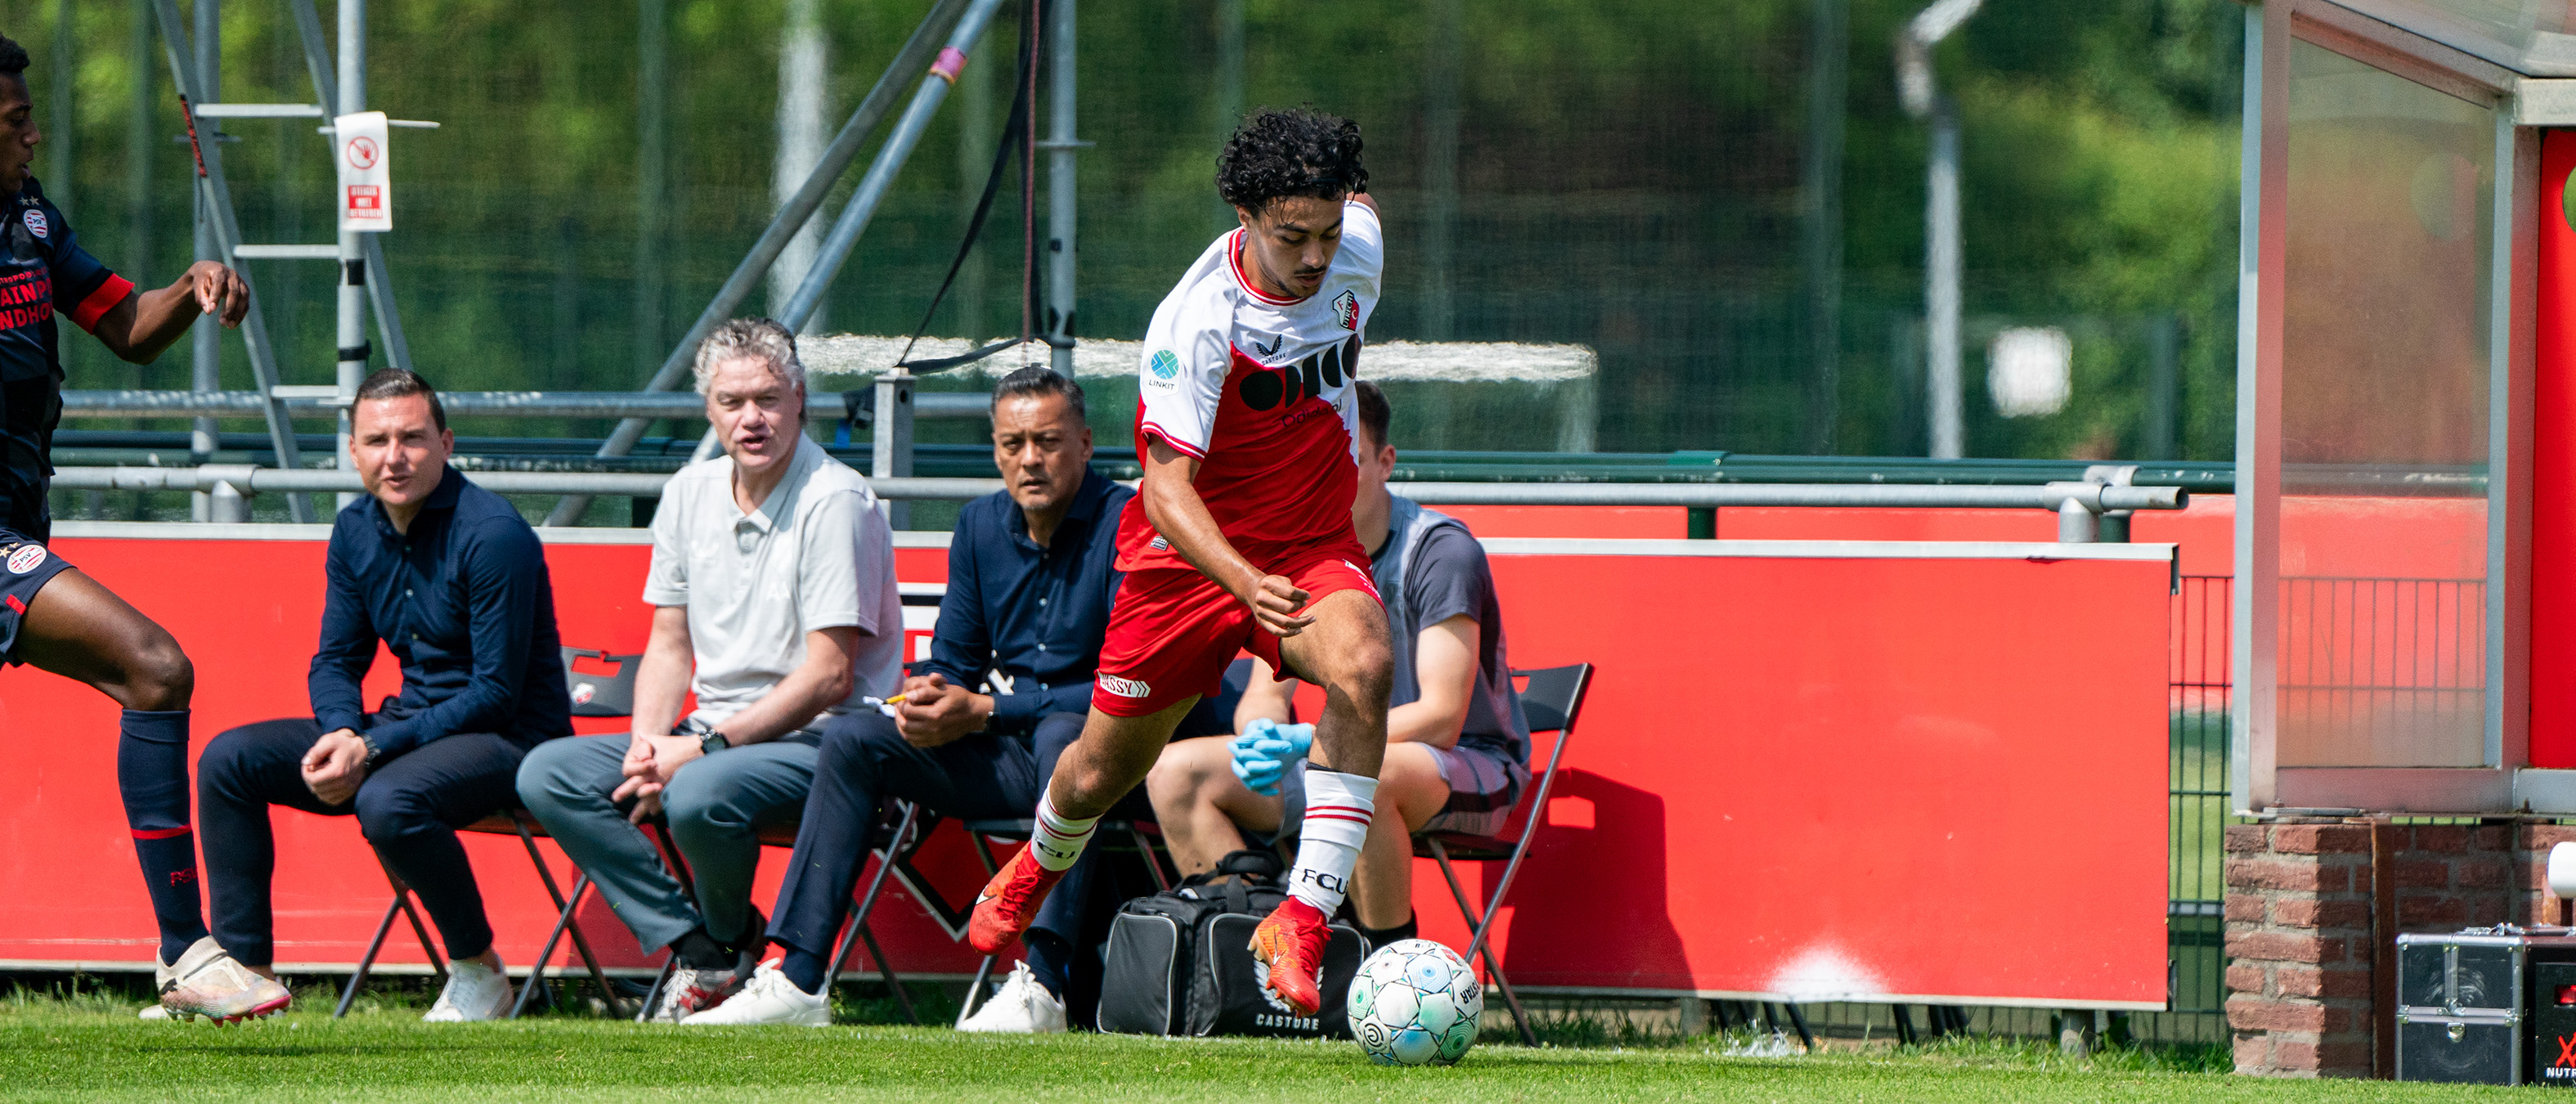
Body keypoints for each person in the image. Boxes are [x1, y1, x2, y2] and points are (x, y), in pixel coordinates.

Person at [967, 107, 1394, 1017]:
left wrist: (1336, 176)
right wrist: (1244, 584)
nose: (1318, 257)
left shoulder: (1355, 238)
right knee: (1095, 772)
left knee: (1365, 665)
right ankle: (1037, 863)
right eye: (1293, 238)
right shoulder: (1197, 321)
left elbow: (1354, 204)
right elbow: (1164, 492)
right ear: (1244, 214)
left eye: (1327, 231)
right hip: (1189, 564)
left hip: (1312, 541)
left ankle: (1303, 919)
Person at [693, 366, 1163, 1029]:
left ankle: (1043, 988)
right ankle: (796, 979)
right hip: (1015, 764)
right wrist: (930, 694)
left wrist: (991, 711)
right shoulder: (978, 526)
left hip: (1118, 761)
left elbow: (1135, 684)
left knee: (1067, 737)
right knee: (855, 739)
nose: (1029, 459)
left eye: (1049, 441)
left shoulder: (1132, 522)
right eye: (1012, 444)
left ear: (1086, 445)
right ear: (996, 450)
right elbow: (956, 661)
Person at [0, 34, 279, 1021]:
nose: (33, 132)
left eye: (30, 115)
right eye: (13, 121)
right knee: (155, 666)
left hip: (16, 519)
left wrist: (193, 287)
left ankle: (185, 954)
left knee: (155, 672)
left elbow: (125, 326)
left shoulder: (30, 217)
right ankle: (188, 951)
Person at [517, 317, 903, 1023]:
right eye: (732, 402)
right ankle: (704, 950)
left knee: (695, 790)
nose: (750, 419)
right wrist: (645, 747)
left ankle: (724, 946)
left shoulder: (835, 500)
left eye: (767, 398)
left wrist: (694, 750)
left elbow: (829, 677)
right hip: (710, 735)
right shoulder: (688, 493)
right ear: (709, 409)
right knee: (548, 772)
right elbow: (668, 645)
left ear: (799, 399)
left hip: (829, 743)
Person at [194, 370, 572, 1022]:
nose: (393, 457)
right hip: (410, 732)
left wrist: (370, 747)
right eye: (376, 440)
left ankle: (480, 972)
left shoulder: (494, 534)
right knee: (230, 761)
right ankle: (248, 982)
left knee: (387, 797)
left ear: (447, 444)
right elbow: (336, 659)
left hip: (514, 740)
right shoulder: (354, 530)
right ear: (352, 451)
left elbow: (495, 692)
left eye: (412, 439)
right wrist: (343, 732)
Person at [1146, 379, 1531, 950]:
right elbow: (1265, 694)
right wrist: (1261, 734)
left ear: (1384, 462)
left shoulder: (1443, 551)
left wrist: (1308, 742)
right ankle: (1257, 957)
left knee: (1364, 781)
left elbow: (1443, 717)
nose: (1322, 473)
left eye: (1343, 456)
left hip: (1471, 766)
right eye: (1310, 457)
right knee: (1175, 773)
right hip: (1338, 755)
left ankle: (1385, 972)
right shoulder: (1292, 553)